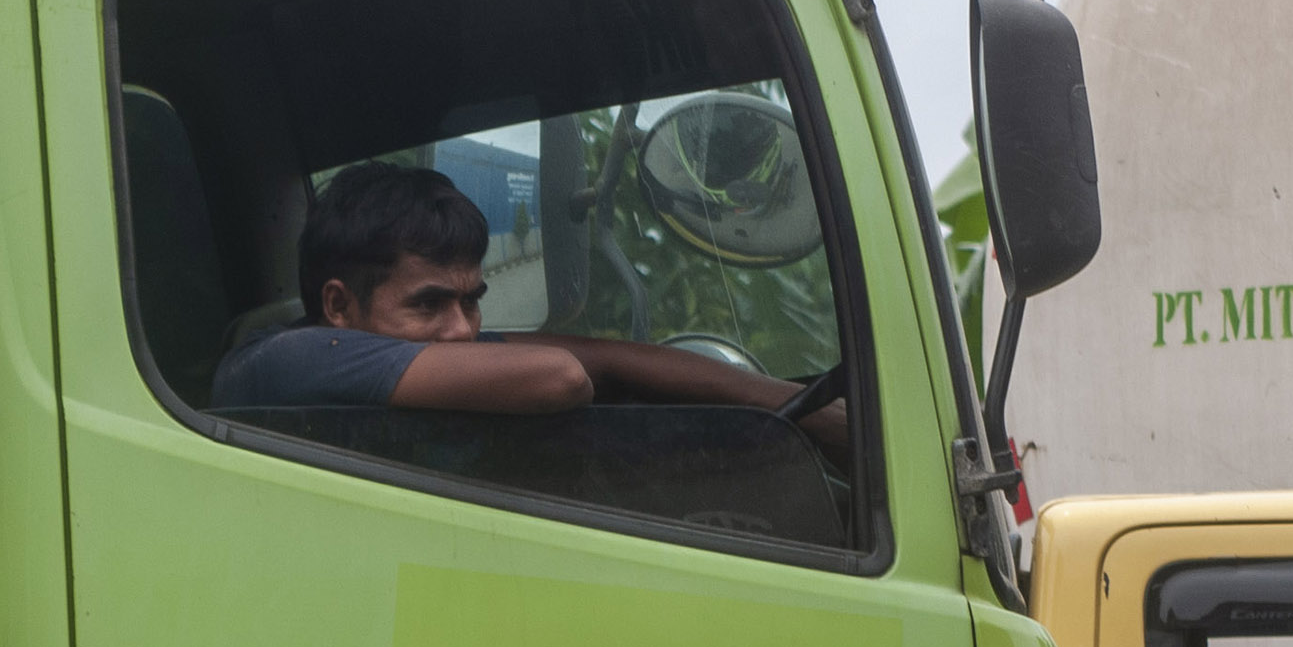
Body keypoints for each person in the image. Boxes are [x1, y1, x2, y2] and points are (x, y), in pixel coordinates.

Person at [210, 161, 846, 443]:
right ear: (338, 306)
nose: (462, 331)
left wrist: (802, 409)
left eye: (471, 302)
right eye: (429, 306)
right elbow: (560, 375)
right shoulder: (284, 362)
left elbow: (609, 358)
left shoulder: (407, 346)